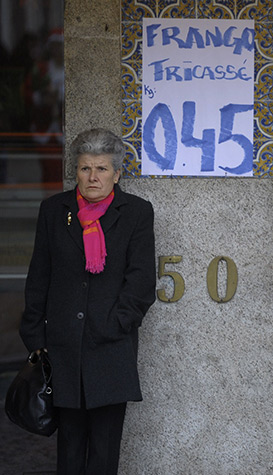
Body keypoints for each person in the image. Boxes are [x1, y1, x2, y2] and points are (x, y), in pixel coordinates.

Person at [19, 128, 156, 474]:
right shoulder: (54, 211)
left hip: (110, 349)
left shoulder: (137, 213)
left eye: (101, 169)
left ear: (117, 173)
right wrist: (36, 338)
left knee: (103, 455)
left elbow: (140, 284)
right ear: (75, 171)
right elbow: (39, 277)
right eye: (84, 168)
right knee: (69, 450)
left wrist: (114, 325)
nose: (92, 177)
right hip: (62, 349)